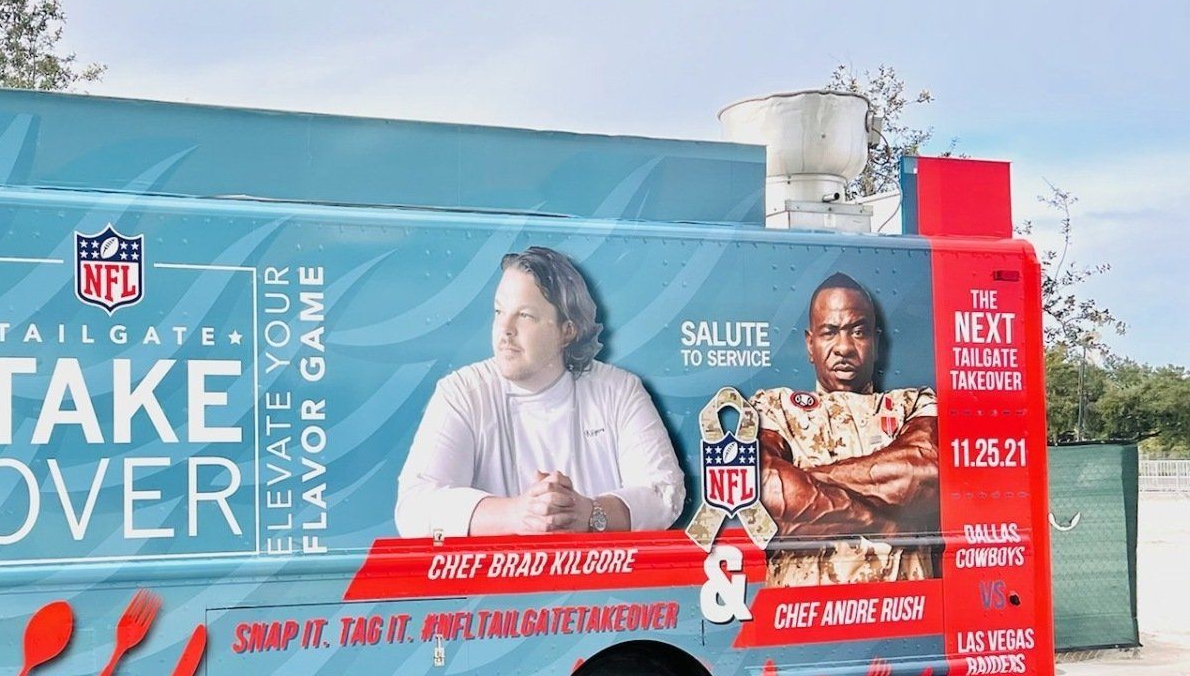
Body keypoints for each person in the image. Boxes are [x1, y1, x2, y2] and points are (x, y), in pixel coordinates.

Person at [395, 246, 685, 538]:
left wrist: (590, 513)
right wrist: (517, 515)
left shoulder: (618, 391)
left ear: (566, 331)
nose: (504, 329)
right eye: (499, 311)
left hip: (600, 581)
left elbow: (664, 493)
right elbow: (414, 508)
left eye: (525, 315)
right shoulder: (463, 393)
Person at [749, 273, 939, 585]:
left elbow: (925, 475)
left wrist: (807, 476)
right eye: (830, 332)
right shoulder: (773, 408)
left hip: (904, 614)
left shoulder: (913, 403)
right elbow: (767, 494)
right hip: (803, 619)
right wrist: (885, 519)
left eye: (858, 332)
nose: (844, 347)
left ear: (876, 343)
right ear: (810, 345)